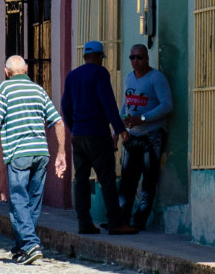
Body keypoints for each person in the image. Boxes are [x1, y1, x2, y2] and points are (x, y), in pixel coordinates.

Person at [0, 54, 67, 265]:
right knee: (31, 202)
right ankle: (22, 248)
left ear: (6, 73)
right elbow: (58, 122)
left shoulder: (4, 89)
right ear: (25, 70)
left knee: (18, 200)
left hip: (18, 154)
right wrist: (61, 153)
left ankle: (31, 244)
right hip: (41, 153)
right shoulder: (39, 90)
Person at [61, 41, 129, 235]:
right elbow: (108, 102)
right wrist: (119, 128)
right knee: (106, 178)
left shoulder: (72, 76)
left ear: (84, 57)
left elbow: (65, 107)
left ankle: (84, 223)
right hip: (98, 133)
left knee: (81, 179)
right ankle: (116, 222)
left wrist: (74, 128)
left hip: (78, 135)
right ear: (100, 57)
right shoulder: (100, 73)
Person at [119, 44, 173, 230]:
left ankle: (139, 220)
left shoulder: (156, 78)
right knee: (127, 178)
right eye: (132, 58)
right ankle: (122, 219)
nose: (136, 61)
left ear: (147, 58)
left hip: (152, 135)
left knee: (148, 179)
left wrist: (142, 118)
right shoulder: (128, 78)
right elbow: (125, 106)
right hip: (133, 135)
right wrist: (119, 128)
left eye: (140, 57)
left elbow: (167, 105)